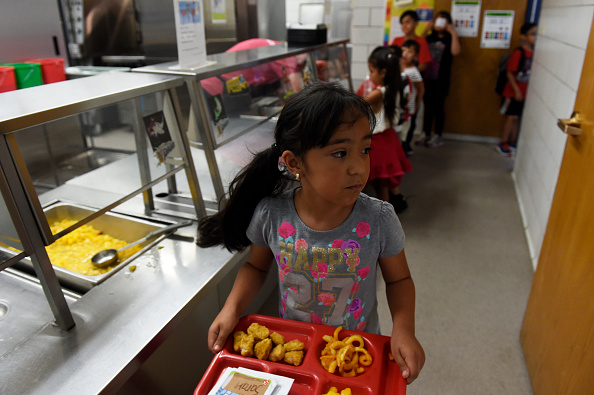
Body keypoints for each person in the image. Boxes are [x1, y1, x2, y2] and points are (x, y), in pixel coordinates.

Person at [198, 82, 425, 384]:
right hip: (298, 348)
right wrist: (231, 309)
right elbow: (255, 266)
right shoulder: (272, 214)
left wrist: (404, 329)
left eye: (365, 149)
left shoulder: (378, 218)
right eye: (340, 153)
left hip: (356, 349)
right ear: (295, 163)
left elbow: (399, 279)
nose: (359, 167)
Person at [364, 46, 412, 212]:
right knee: (383, 181)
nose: (370, 75)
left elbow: (356, 106)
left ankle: (383, 216)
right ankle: (389, 211)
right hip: (389, 138)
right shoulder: (394, 88)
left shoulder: (378, 93)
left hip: (378, 142)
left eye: (371, 71)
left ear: (383, 72)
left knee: (380, 183)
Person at [419, 10, 461, 149]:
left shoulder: (450, 38)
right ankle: (426, 133)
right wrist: (427, 29)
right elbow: (418, 45)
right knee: (427, 107)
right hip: (428, 77)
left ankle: (438, 135)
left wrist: (453, 32)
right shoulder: (430, 37)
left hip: (442, 79)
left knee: (439, 108)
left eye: (443, 21)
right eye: (438, 20)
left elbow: (456, 52)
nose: (439, 24)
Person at [497, 22, 537, 156]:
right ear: (523, 36)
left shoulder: (537, 54)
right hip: (513, 92)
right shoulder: (518, 53)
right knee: (512, 117)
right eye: (532, 34)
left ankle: (513, 141)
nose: (535, 37)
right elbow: (509, 73)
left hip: (526, 92)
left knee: (517, 117)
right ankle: (503, 142)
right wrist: (517, 91)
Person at [400, 40, 425, 156]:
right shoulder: (399, 68)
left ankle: (405, 152)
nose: (405, 54)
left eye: (409, 51)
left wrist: (416, 106)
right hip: (401, 107)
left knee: (407, 131)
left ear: (415, 55)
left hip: (409, 108)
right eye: (404, 50)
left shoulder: (414, 72)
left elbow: (421, 90)